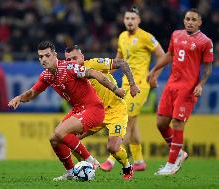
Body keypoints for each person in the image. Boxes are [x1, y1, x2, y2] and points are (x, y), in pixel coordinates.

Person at [8, 41, 125, 181]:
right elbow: (32, 93)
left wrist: (115, 89)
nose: (44, 59)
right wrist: (19, 98)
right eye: (41, 57)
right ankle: (70, 172)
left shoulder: (69, 67)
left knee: (60, 132)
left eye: (47, 55)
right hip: (78, 110)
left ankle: (90, 160)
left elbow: (93, 72)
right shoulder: (47, 76)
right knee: (54, 140)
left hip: (93, 108)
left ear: (55, 55)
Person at [148, 8, 213, 175]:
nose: (190, 22)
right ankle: (180, 153)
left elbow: (207, 67)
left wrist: (201, 85)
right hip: (171, 85)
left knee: (177, 124)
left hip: (188, 88)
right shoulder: (176, 35)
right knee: (161, 124)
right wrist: (154, 69)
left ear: (199, 23)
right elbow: (170, 54)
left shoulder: (205, 42)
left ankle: (171, 164)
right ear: (184, 20)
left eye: (193, 20)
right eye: (187, 19)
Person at [101, 6, 165, 171]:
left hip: (140, 86)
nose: (130, 21)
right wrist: (102, 73)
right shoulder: (122, 37)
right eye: (127, 18)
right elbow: (118, 60)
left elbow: (163, 56)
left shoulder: (146, 37)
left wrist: (154, 75)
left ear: (139, 21)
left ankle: (112, 159)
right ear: (124, 20)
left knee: (126, 120)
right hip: (124, 85)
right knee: (133, 123)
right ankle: (139, 161)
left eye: (133, 19)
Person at [65, 45, 140, 180]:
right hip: (95, 112)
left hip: (116, 109)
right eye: (68, 60)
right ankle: (88, 163)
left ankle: (127, 168)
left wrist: (132, 84)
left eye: (75, 58)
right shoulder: (71, 77)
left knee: (112, 147)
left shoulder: (94, 64)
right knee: (70, 138)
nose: (72, 62)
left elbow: (122, 63)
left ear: (82, 57)